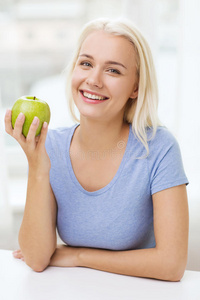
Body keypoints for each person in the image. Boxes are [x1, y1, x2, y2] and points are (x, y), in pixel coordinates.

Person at [5, 18, 189, 281]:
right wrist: (37, 167)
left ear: (135, 87)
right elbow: (35, 258)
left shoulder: (158, 148)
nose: (93, 80)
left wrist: (79, 256)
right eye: (86, 63)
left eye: (113, 71)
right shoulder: (52, 147)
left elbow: (171, 265)